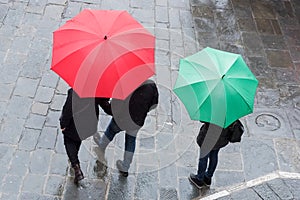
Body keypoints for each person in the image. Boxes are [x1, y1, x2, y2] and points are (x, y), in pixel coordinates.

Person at [93, 79, 159, 177]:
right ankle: (125, 167)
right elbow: (154, 104)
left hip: (121, 119)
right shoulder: (151, 85)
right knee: (131, 141)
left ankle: (102, 146)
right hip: (137, 121)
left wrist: (102, 102)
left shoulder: (123, 86)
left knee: (110, 131)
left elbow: (113, 109)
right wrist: (143, 110)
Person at [59, 88, 111, 185]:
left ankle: (76, 167)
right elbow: (105, 104)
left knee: (69, 141)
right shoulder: (98, 90)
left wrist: (63, 124)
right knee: (78, 139)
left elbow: (68, 110)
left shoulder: (74, 92)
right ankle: (75, 157)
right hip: (89, 122)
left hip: (75, 123)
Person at [189, 122, 233, 189]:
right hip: (221, 137)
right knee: (214, 155)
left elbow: (202, 119)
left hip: (209, 137)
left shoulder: (212, 111)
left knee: (203, 157)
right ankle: (208, 177)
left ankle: (199, 179)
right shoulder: (229, 112)